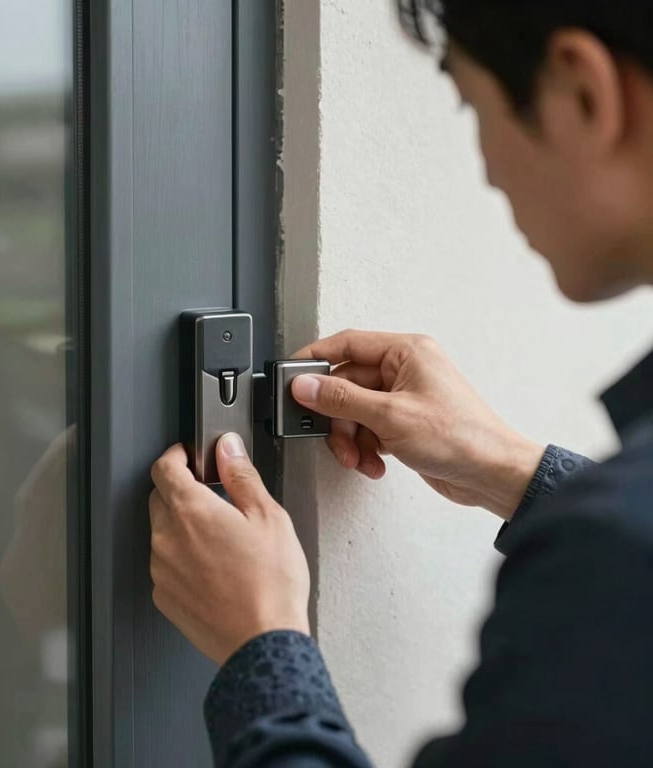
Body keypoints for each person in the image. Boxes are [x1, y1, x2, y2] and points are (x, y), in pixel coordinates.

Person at [149, 1, 653, 765]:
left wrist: (262, 641)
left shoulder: (608, 563)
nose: (486, 169)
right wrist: (510, 470)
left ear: (583, 91)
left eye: (471, 106)